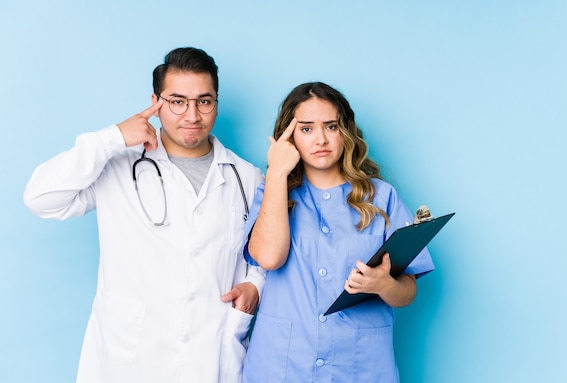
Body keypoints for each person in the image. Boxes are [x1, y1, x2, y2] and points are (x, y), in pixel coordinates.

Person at [24, 47, 265, 383]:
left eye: (204, 101)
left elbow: (264, 255)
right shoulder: (118, 165)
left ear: (216, 103)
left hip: (210, 357)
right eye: (178, 101)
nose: (192, 115)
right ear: (156, 102)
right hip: (131, 360)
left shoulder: (246, 177)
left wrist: (255, 285)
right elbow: (40, 198)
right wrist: (112, 138)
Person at [241, 82, 435, 382]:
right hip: (284, 365)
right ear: (289, 136)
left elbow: (408, 291)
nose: (321, 139)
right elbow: (268, 257)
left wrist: (384, 285)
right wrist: (277, 171)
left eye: (331, 126)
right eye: (306, 129)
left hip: (360, 367)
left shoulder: (382, 198)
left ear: (345, 131)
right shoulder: (272, 192)